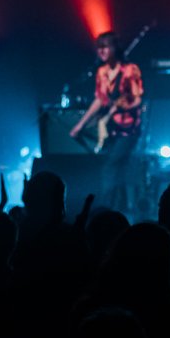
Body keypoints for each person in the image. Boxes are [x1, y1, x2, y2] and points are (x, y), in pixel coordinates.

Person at [70, 32, 144, 212]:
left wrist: (119, 106)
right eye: (99, 47)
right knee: (115, 168)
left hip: (128, 127)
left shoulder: (130, 70)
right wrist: (80, 125)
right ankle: (119, 207)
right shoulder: (101, 72)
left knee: (111, 166)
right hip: (110, 128)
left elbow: (137, 98)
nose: (101, 51)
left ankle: (107, 207)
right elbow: (99, 100)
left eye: (105, 47)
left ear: (114, 48)